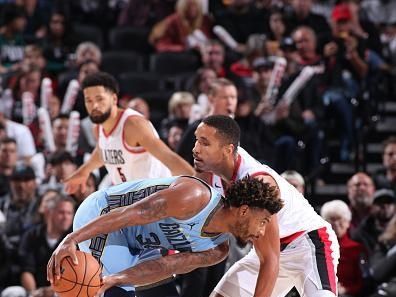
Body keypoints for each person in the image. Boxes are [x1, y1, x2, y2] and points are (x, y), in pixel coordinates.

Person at [47, 175, 284, 297]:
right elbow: (130, 214)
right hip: (104, 216)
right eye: (263, 221)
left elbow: (165, 264)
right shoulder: (195, 197)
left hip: (136, 245)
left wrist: (119, 277)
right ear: (243, 211)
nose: (262, 232)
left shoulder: (217, 250)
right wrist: (72, 239)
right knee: (107, 291)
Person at [192, 115, 339, 297]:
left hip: (308, 244)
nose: (195, 149)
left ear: (227, 150)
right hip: (267, 249)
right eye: (196, 140)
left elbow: (270, 259)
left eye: (204, 143)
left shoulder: (258, 183)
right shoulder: (210, 168)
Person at [63, 72, 194, 194]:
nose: (94, 106)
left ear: (114, 99)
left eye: (99, 99)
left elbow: (168, 157)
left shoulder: (132, 125)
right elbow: (102, 151)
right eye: (89, 100)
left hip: (156, 196)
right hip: (129, 200)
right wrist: (84, 171)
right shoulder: (98, 128)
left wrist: (199, 185)